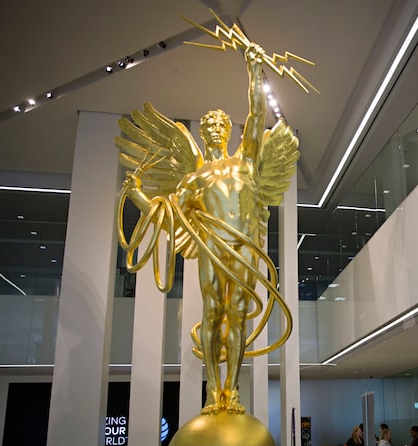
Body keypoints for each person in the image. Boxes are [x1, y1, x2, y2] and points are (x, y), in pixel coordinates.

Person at [117, 40, 299, 415]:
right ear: (203, 134)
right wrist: (135, 194)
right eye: (209, 125)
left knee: (237, 317)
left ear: (228, 131)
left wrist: (254, 70)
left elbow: (257, 112)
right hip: (214, 248)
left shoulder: (245, 162)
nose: (216, 128)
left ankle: (232, 391)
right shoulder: (195, 179)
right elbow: (166, 216)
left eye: (220, 123)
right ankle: (212, 392)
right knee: (214, 314)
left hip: (244, 250)